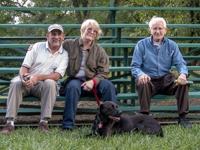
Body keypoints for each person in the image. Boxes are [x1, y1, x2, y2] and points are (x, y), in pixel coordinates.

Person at [1, 24, 69, 135]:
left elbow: (57, 76)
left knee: (51, 83)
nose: (56, 37)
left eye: (58, 34)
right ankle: (10, 123)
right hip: (27, 82)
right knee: (16, 82)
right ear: (47, 36)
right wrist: (24, 79)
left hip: (42, 86)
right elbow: (24, 67)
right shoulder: (37, 47)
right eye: (53, 34)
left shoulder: (64, 54)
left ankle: (44, 122)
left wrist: (37, 78)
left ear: (63, 37)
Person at [130, 16, 192, 128]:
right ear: (150, 30)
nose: (157, 31)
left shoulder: (172, 45)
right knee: (142, 81)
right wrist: (141, 74)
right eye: (154, 28)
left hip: (165, 80)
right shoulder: (141, 45)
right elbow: (135, 66)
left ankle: (182, 118)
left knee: (183, 83)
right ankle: (144, 118)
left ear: (165, 30)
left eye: (160, 28)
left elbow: (180, 63)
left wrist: (183, 74)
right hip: (148, 79)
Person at [61, 19, 117, 131]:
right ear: (82, 30)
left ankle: (114, 124)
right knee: (72, 86)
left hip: (95, 82)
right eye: (89, 29)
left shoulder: (100, 51)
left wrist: (93, 81)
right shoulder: (69, 44)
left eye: (95, 31)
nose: (92, 32)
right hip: (76, 80)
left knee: (109, 86)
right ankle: (68, 125)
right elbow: (53, 46)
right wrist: (36, 45)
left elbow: (104, 72)